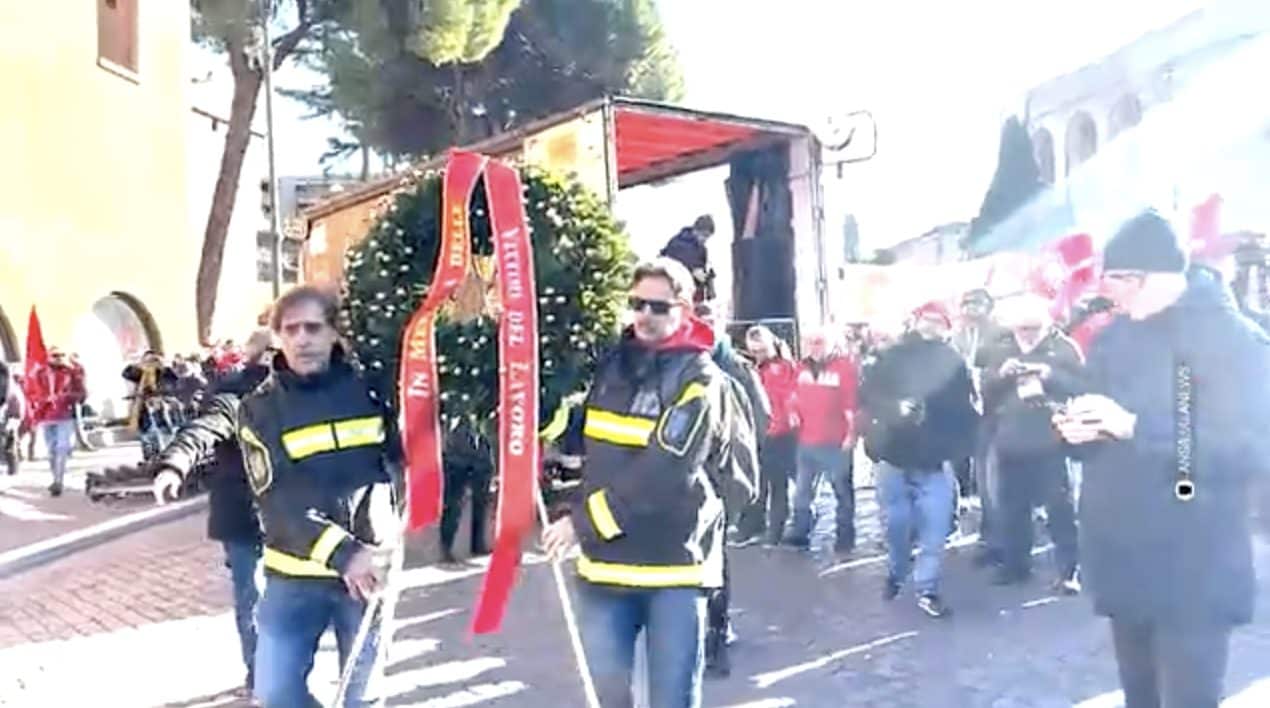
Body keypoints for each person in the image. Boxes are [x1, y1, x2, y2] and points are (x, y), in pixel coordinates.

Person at [1054, 211, 1270, 708]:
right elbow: (1098, 420)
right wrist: (1077, 431)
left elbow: (1247, 448)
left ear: (1151, 275)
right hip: (1124, 557)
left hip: (1193, 565)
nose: (1115, 300)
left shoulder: (1236, 341)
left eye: (1120, 286)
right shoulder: (1116, 336)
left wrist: (1133, 427)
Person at [154, 286, 400, 707]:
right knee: (276, 695)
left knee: (363, 698)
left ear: (334, 334)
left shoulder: (372, 394)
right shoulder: (260, 408)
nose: (302, 338)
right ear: (277, 338)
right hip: (295, 578)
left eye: (313, 327)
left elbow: (407, 456)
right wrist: (344, 554)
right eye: (291, 329)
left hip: (368, 573)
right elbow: (278, 500)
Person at [541, 258, 756, 708]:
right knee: (606, 698)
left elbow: (665, 472)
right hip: (604, 569)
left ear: (685, 308)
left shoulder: (700, 378)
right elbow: (568, 431)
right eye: (637, 303)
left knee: (672, 700)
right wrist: (531, 414)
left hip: (674, 567)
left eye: (658, 306)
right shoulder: (608, 364)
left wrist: (582, 524)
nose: (644, 315)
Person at [152, 330, 274, 697]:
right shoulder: (233, 393)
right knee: (252, 597)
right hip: (245, 516)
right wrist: (174, 463)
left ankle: (277, 673)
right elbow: (202, 430)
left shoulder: (300, 391)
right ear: (261, 356)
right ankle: (260, 675)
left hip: (289, 518)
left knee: (282, 601)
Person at [860, 302, 977, 618]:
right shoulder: (894, 356)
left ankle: (927, 587)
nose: (931, 325)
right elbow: (869, 396)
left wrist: (959, 444)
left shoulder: (953, 361)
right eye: (927, 319)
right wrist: (892, 410)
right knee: (897, 525)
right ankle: (897, 571)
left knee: (936, 529)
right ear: (916, 321)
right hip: (894, 455)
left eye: (938, 321)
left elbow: (965, 409)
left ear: (946, 327)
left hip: (933, 459)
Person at [980, 294, 1082, 591]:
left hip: (1051, 439)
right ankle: (1016, 565)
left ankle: (1068, 569)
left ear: (1046, 324)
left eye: (1033, 328)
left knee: (1059, 508)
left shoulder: (1063, 348)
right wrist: (1001, 375)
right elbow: (985, 390)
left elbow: (1084, 384)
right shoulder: (1001, 349)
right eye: (1022, 329)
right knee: (1012, 507)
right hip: (1010, 439)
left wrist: (1049, 374)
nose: (1027, 334)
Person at [785, 327, 858, 553]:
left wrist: (852, 435)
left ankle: (845, 536)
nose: (814, 347)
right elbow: (793, 395)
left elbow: (852, 404)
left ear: (830, 344)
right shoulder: (801, 367)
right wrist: (792, 411)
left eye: (819, 342)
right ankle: (800, 533)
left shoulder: (844, 367)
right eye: (810, 342)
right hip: (807, 440)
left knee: (842, 492)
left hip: (835, 442)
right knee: (802, 492)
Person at [743, 325, 800, 546]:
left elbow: (790, 397)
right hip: (762, 434)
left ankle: (777, 531)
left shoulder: (785, 367)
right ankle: (764, 529)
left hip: (783, 435)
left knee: (780, 485)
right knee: (762, 483)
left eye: (761, 350)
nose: (758, 355)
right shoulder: (754, 369)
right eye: (754, 351)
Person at [30, 347, 87, 496]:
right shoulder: (40, 373)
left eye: (62, 355)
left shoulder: (71, 373)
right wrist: (43, 400)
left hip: (64, 416)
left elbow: (81, 393)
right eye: (55, 355)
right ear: (49, 357)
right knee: (51, 451)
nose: (59, 358)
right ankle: (55, 477)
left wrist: (67, 396)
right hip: (46, 416)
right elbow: (32, 394)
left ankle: (58, 481)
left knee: (62, 448)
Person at [439, 417, 492, 563]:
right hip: (457, 454)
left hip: (478, 453)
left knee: (480, 502)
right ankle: (446, 546)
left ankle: (477, 544)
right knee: (453, 503)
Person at [660, 215, 717, 303]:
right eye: (704, 235)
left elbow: (703, 269)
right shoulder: (678, 242)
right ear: (696, 230)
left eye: (707, 237)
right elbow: (671, 264)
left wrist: (708, 281)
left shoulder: (701, 249)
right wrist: (693, 270)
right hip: (676, 292)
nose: (705, 240)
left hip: (692, 295)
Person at [1, 361, 25, 476]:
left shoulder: (6, 375)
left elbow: (8, 395)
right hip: (8, 410)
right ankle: (11, 465)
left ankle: (12, 466)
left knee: (9, 438)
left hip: (11, 412)